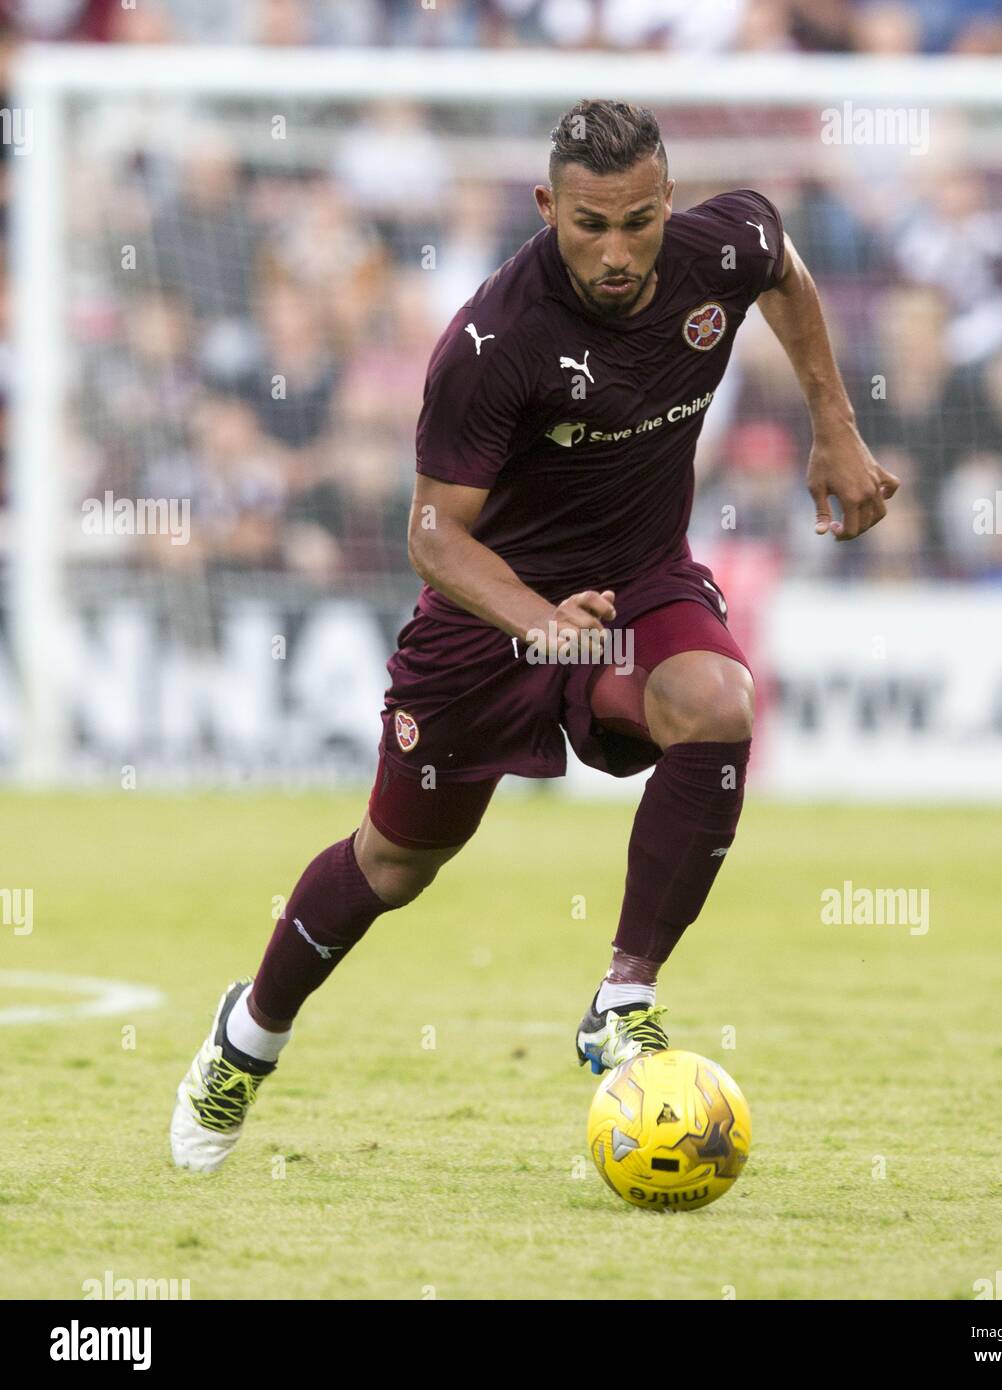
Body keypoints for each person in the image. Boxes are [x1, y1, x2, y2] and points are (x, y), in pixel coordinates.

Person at [170, 99, 898, 1172]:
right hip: (485, 619)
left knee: (716, 702)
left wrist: (834, 424)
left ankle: (624, 995)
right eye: (590, 224)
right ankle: (246, 1037)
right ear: (546, 205)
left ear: (669, 200)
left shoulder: (723, 242)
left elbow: (783, 267)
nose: (617, 250)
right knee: (396, 863)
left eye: (640, 221)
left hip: (637, 582)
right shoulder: (493, 339)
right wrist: (535, 621)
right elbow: (431, 535)